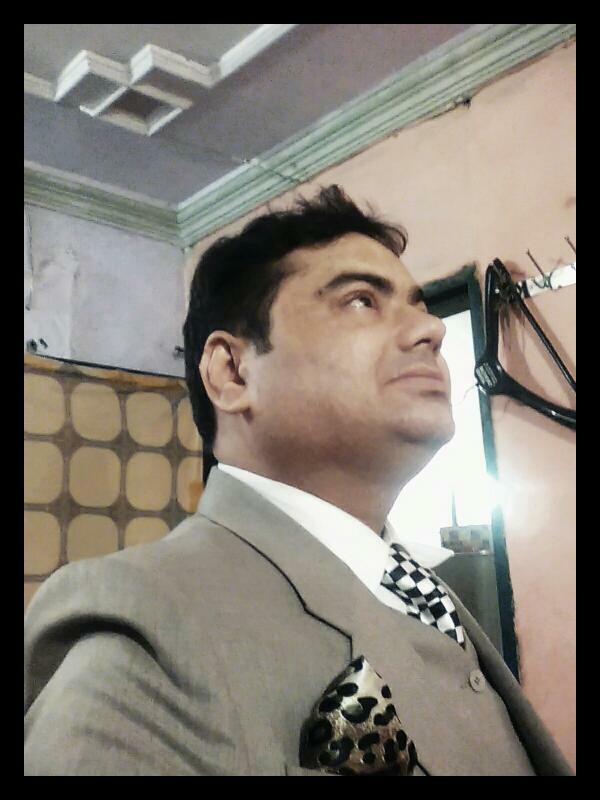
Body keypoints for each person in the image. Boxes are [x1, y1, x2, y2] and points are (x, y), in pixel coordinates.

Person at [24, 186, 572, 776]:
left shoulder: (425, 591)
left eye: (419, 307)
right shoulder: (147, 624)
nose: (431, 330)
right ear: (233, 372)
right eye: (361, 301)